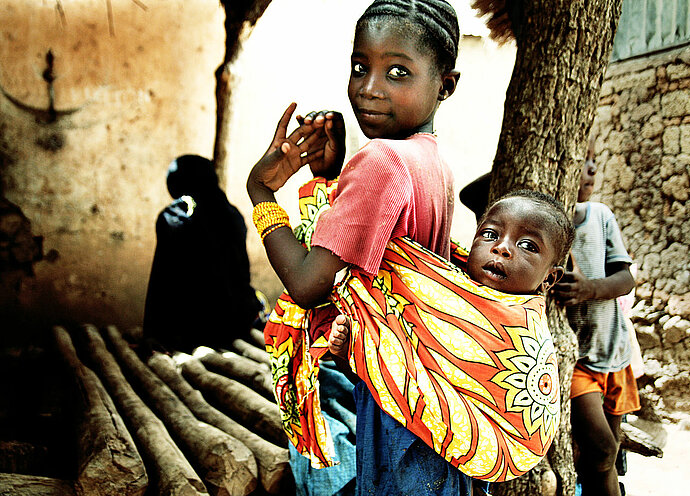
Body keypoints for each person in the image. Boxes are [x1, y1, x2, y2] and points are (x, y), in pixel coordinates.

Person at [247, 1, 463, 493]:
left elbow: (307, 284)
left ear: (446, 85)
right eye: (360, 67)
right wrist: (329, 176)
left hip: (394, 402)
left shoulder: (383, 160)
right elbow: (373, 253)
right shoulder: (432, 164)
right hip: (428, 394)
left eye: (397, 73)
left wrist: (262, 196)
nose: (369, 88)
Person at [329, 189, 574, 353]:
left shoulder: (529, 344)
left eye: (527, 245)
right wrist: (348, 351)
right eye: (490, 235)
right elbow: (392, 369)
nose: (501, 248)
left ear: (550, 277)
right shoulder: (433, 297)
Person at [552, 155, 639, 496]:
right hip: (576, 361)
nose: (592, 169)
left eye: (594, 161)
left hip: (614, 350)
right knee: (602, 450)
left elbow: (625, 278)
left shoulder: (599, 216)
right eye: (582, 159)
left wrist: (590, 288)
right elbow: (474, 193)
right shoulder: (542, 223)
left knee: (605, 458)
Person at [143, 154, 262, 353]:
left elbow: (162, 281)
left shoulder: (175, 217)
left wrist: (152, 334)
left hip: (190, 330)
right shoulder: (232, 215)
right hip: (235, 323)